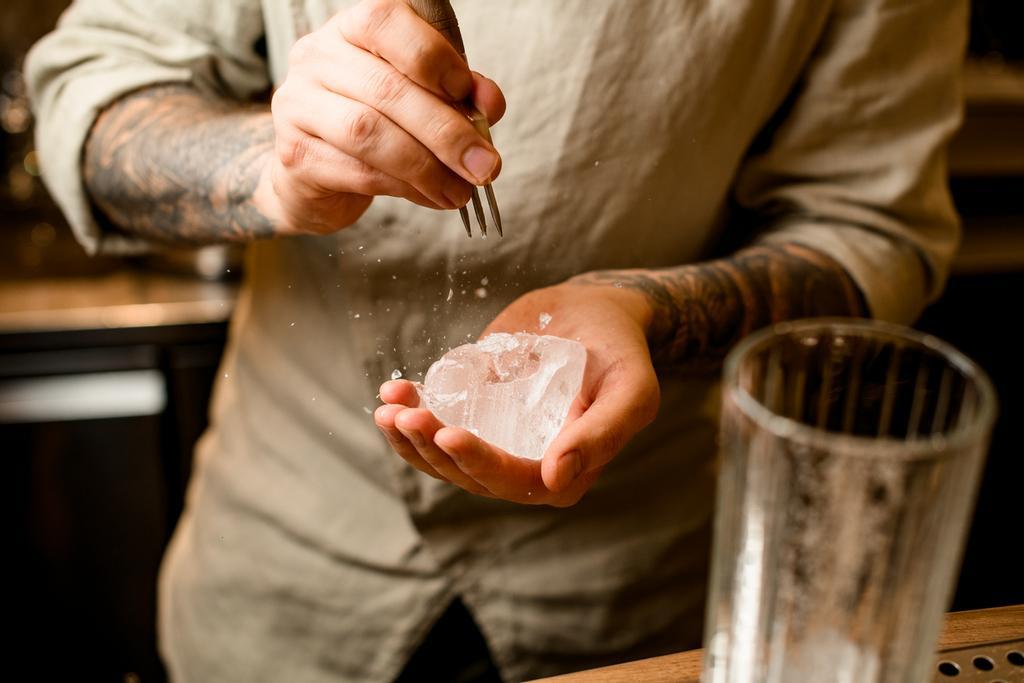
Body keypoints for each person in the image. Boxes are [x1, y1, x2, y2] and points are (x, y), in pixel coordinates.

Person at [26, 0, 966, 680]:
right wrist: (272, 169)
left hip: (640, 592)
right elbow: (95, 96)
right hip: (285, 576)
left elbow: (869, 228)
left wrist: (643, 307)